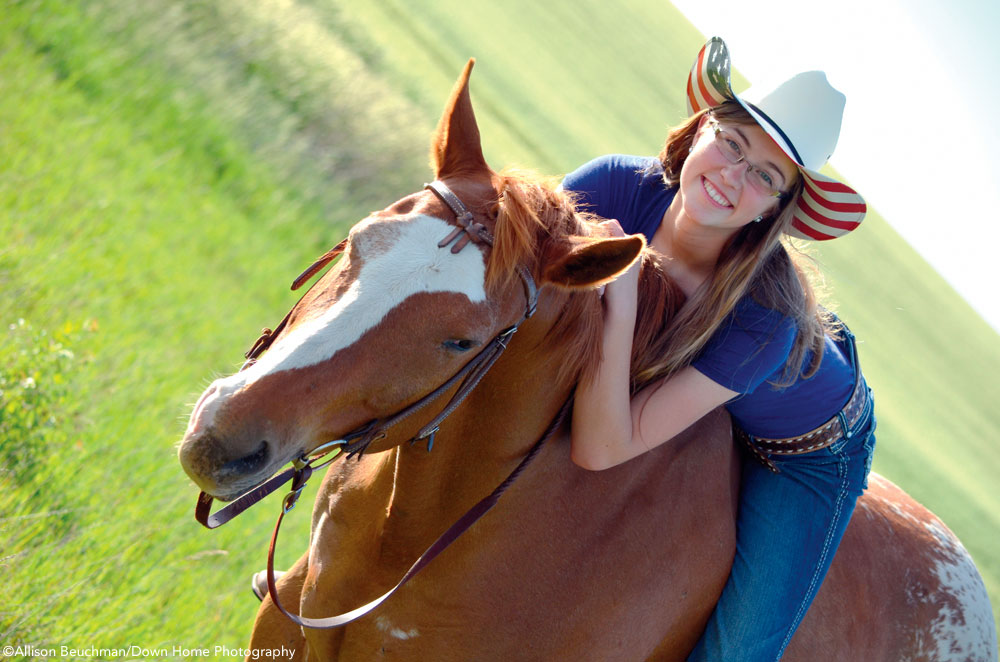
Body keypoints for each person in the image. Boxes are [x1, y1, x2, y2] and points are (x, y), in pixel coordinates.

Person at [562, 37, 876, 661]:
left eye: (764, 176)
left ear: (775, 210)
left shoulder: (764, 321)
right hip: (723, 376)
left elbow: (601, 448)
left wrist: (622, 300)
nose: (733, 177)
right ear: (703, 129)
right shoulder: (613, 187)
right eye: (732, 143)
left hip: (810, 454)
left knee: (738, 652)